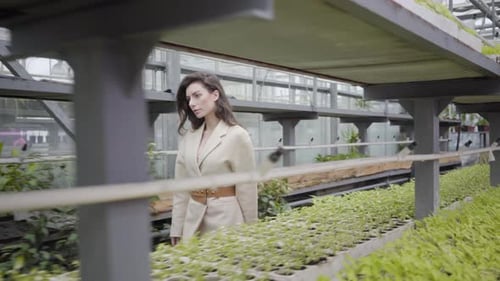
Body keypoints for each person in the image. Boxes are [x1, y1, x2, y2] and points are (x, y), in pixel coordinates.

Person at [170, 72, 257, 246]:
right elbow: (181, 186)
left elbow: (247, 187)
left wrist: (252, 230)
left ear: (215, 95)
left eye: (197, 95)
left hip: (226, 220)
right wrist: (177, 228)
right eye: (188, 99)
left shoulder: (237, 135)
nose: (192, 103)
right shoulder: (189, 136)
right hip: (193, 221)